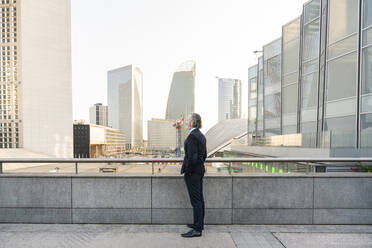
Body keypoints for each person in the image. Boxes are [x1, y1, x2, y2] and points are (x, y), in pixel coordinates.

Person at [180, 113, 207, 238]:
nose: (186, 122)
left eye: (188, 120)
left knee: (195, 201)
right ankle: (199, 224)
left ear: (192, 122)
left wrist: (188, 171)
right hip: (199, 171)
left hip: (193, 173)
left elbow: (192, 157)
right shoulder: (201, 136)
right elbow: (204, 156)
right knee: (199, 199)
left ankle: (197, 229)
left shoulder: (192, 137)